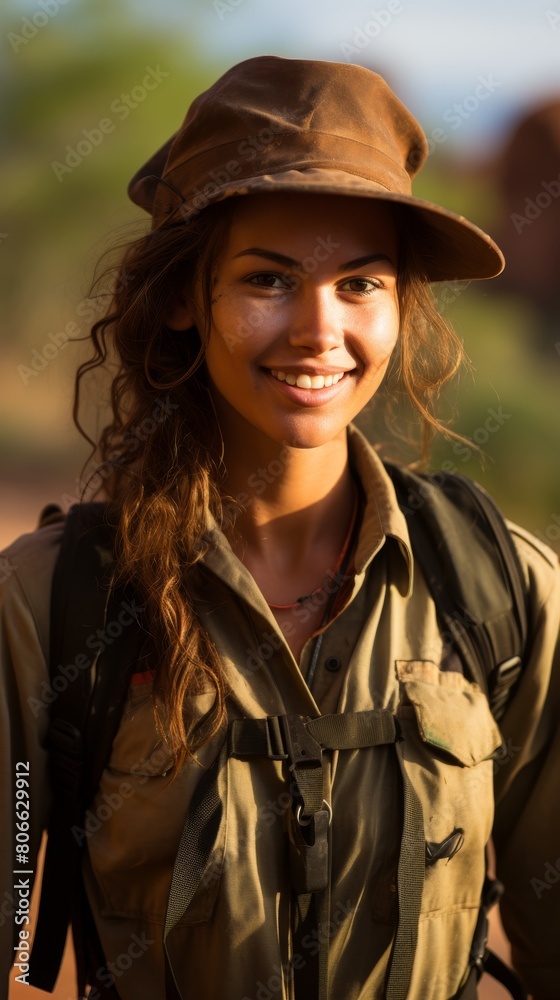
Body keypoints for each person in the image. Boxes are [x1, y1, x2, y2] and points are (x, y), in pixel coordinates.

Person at [1, 55, 559, 1000]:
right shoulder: (52, 603)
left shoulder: (500, 590)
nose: (317, 329)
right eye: (269, 279)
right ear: (185, 298)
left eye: (360, 285)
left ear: (400, 307)